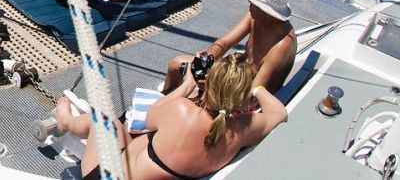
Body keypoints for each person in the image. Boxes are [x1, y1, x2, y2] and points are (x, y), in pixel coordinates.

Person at [53, 52, 287, 180]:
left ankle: (67, 123)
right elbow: (279, 113)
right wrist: (256, 89)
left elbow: (149, 117)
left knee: (105, 120)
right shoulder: (244, 129)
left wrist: (187, 85)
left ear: (211, 82)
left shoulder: (183, 111)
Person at [163, 0, 296, 94]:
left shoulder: (282, 45)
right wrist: (205, 63)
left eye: (254, 3)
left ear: (267, 11)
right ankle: (163, 102)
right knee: (176, 64)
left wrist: (212, 85)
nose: (249, 4)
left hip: (245, 91)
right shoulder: (256, 16)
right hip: (234, 73)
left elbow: (255, 93)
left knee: (189, 91)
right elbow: (224, 43)